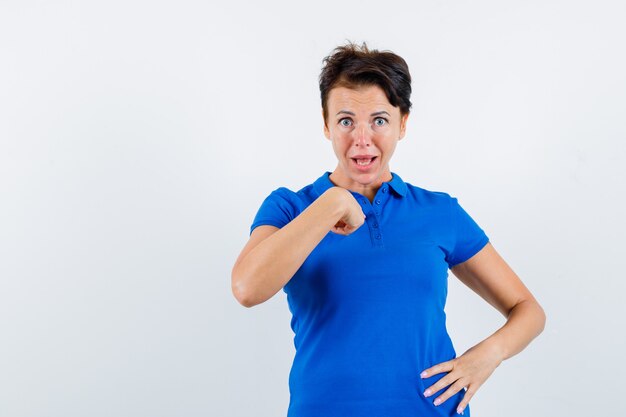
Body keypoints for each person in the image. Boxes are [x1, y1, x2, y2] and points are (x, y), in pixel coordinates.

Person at [231, 42, 546, 417]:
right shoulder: (289, 208)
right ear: (326, 123)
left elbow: (528, 310)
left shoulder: (440, 212)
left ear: (403, 124)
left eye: (379, 120)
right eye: (346, 121)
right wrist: (330, 204)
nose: (362, 139)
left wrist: (486, 356)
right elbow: (247, 288)